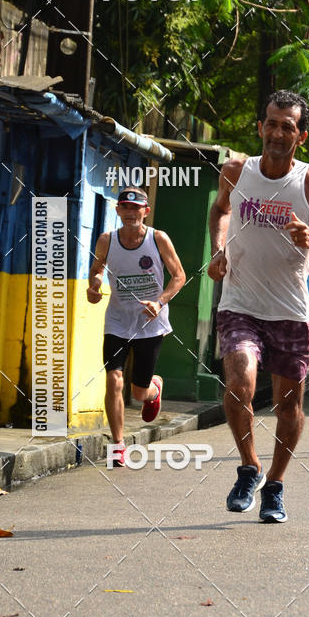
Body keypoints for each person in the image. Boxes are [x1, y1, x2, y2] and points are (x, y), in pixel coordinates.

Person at [207, 90, 309, 522]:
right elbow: (220, 211)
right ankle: (249, 467)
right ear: (260, 128)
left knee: (289, 405)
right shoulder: (235, 171)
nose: (277, 132)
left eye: (287, 126)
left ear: (301, 136)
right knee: (240, 382)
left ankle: (275, 485)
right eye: (271, 123)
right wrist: (218, 249)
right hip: (239, 303)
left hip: (290, 309)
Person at [87, 187, 186, 465]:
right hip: (117, 321)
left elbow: (179, 276)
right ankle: (118, 444)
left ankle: (154, 387)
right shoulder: (107, 240)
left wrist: (160, 301)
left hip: (149, 323)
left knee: (138, 392)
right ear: (117, 210)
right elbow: (96, 271)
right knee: (113, 379)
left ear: (146, 211)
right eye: (125, 208)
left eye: (136, 208)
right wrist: (93, 287)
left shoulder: (158, 239)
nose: (130, 213)